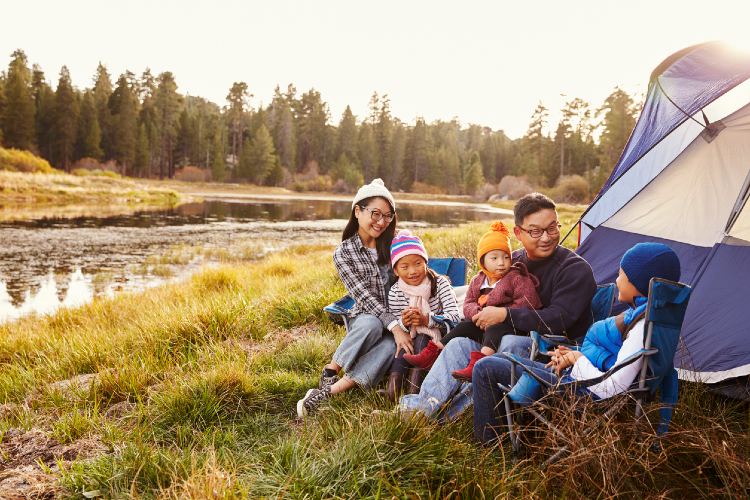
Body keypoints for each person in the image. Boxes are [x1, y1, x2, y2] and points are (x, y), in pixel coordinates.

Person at [398, 193, 597, 420]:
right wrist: (480, 313)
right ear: (518, 233)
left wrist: (504, 314)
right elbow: (483, 294)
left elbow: (559, 319)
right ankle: (421, 409)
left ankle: (448, 418)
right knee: (459, 344)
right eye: (535, 231)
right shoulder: (509, 261)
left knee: (508, 343)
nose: (546, 237)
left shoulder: (574, 269)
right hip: (497, 337)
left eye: (552, 228)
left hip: (551, 349)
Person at [472, 242, 682, 445]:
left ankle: (489, 446)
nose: (617, 281)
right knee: (500, 359)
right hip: (585, 381)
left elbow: (612, 387)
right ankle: (515, 436)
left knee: (485, 367)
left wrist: (578, 359)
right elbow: (618, 365)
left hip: (584, 393)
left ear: (638, 284)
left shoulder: (641, 327)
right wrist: (573, 354)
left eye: (621, 275)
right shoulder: (655, 319)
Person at [297, 178, 406, 418]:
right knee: (372, 323)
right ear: (358, 211)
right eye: (375, 214)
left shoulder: (396, 242)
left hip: (400, 315)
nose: (381, 222)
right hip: (367, 317)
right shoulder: (343, 253)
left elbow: (414, 268)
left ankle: (329, 392)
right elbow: (364, 298)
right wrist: (394, 326)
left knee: (391, 348)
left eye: (388, 216)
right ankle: (331, 369)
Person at [402, 221, 541, 381]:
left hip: (509, 325)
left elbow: (529, 302)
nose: (501, 263)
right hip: (483, 323)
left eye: (506, 257)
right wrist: (478, 314)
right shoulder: (479, 280)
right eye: (494, 258)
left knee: (494, 329)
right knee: (463, 326)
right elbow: (468, 303)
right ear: (483, 261)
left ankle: (478, 363)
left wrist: (501, 313)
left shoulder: (516, 277)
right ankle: (432, 353)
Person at [384, 229, 461, 401]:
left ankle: (414, 393)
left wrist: (428, 320)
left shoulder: (440, 283)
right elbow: (398, 323)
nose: (412, 271)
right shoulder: (396, 291)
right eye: (404, 267)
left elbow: (455, 318)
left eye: (418, 263)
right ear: (395, 270)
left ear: (425, 262)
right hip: (410, 339)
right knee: (406, 345)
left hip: (439, 340)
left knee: (421, 340)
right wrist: (404, 322)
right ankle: (394, 391)